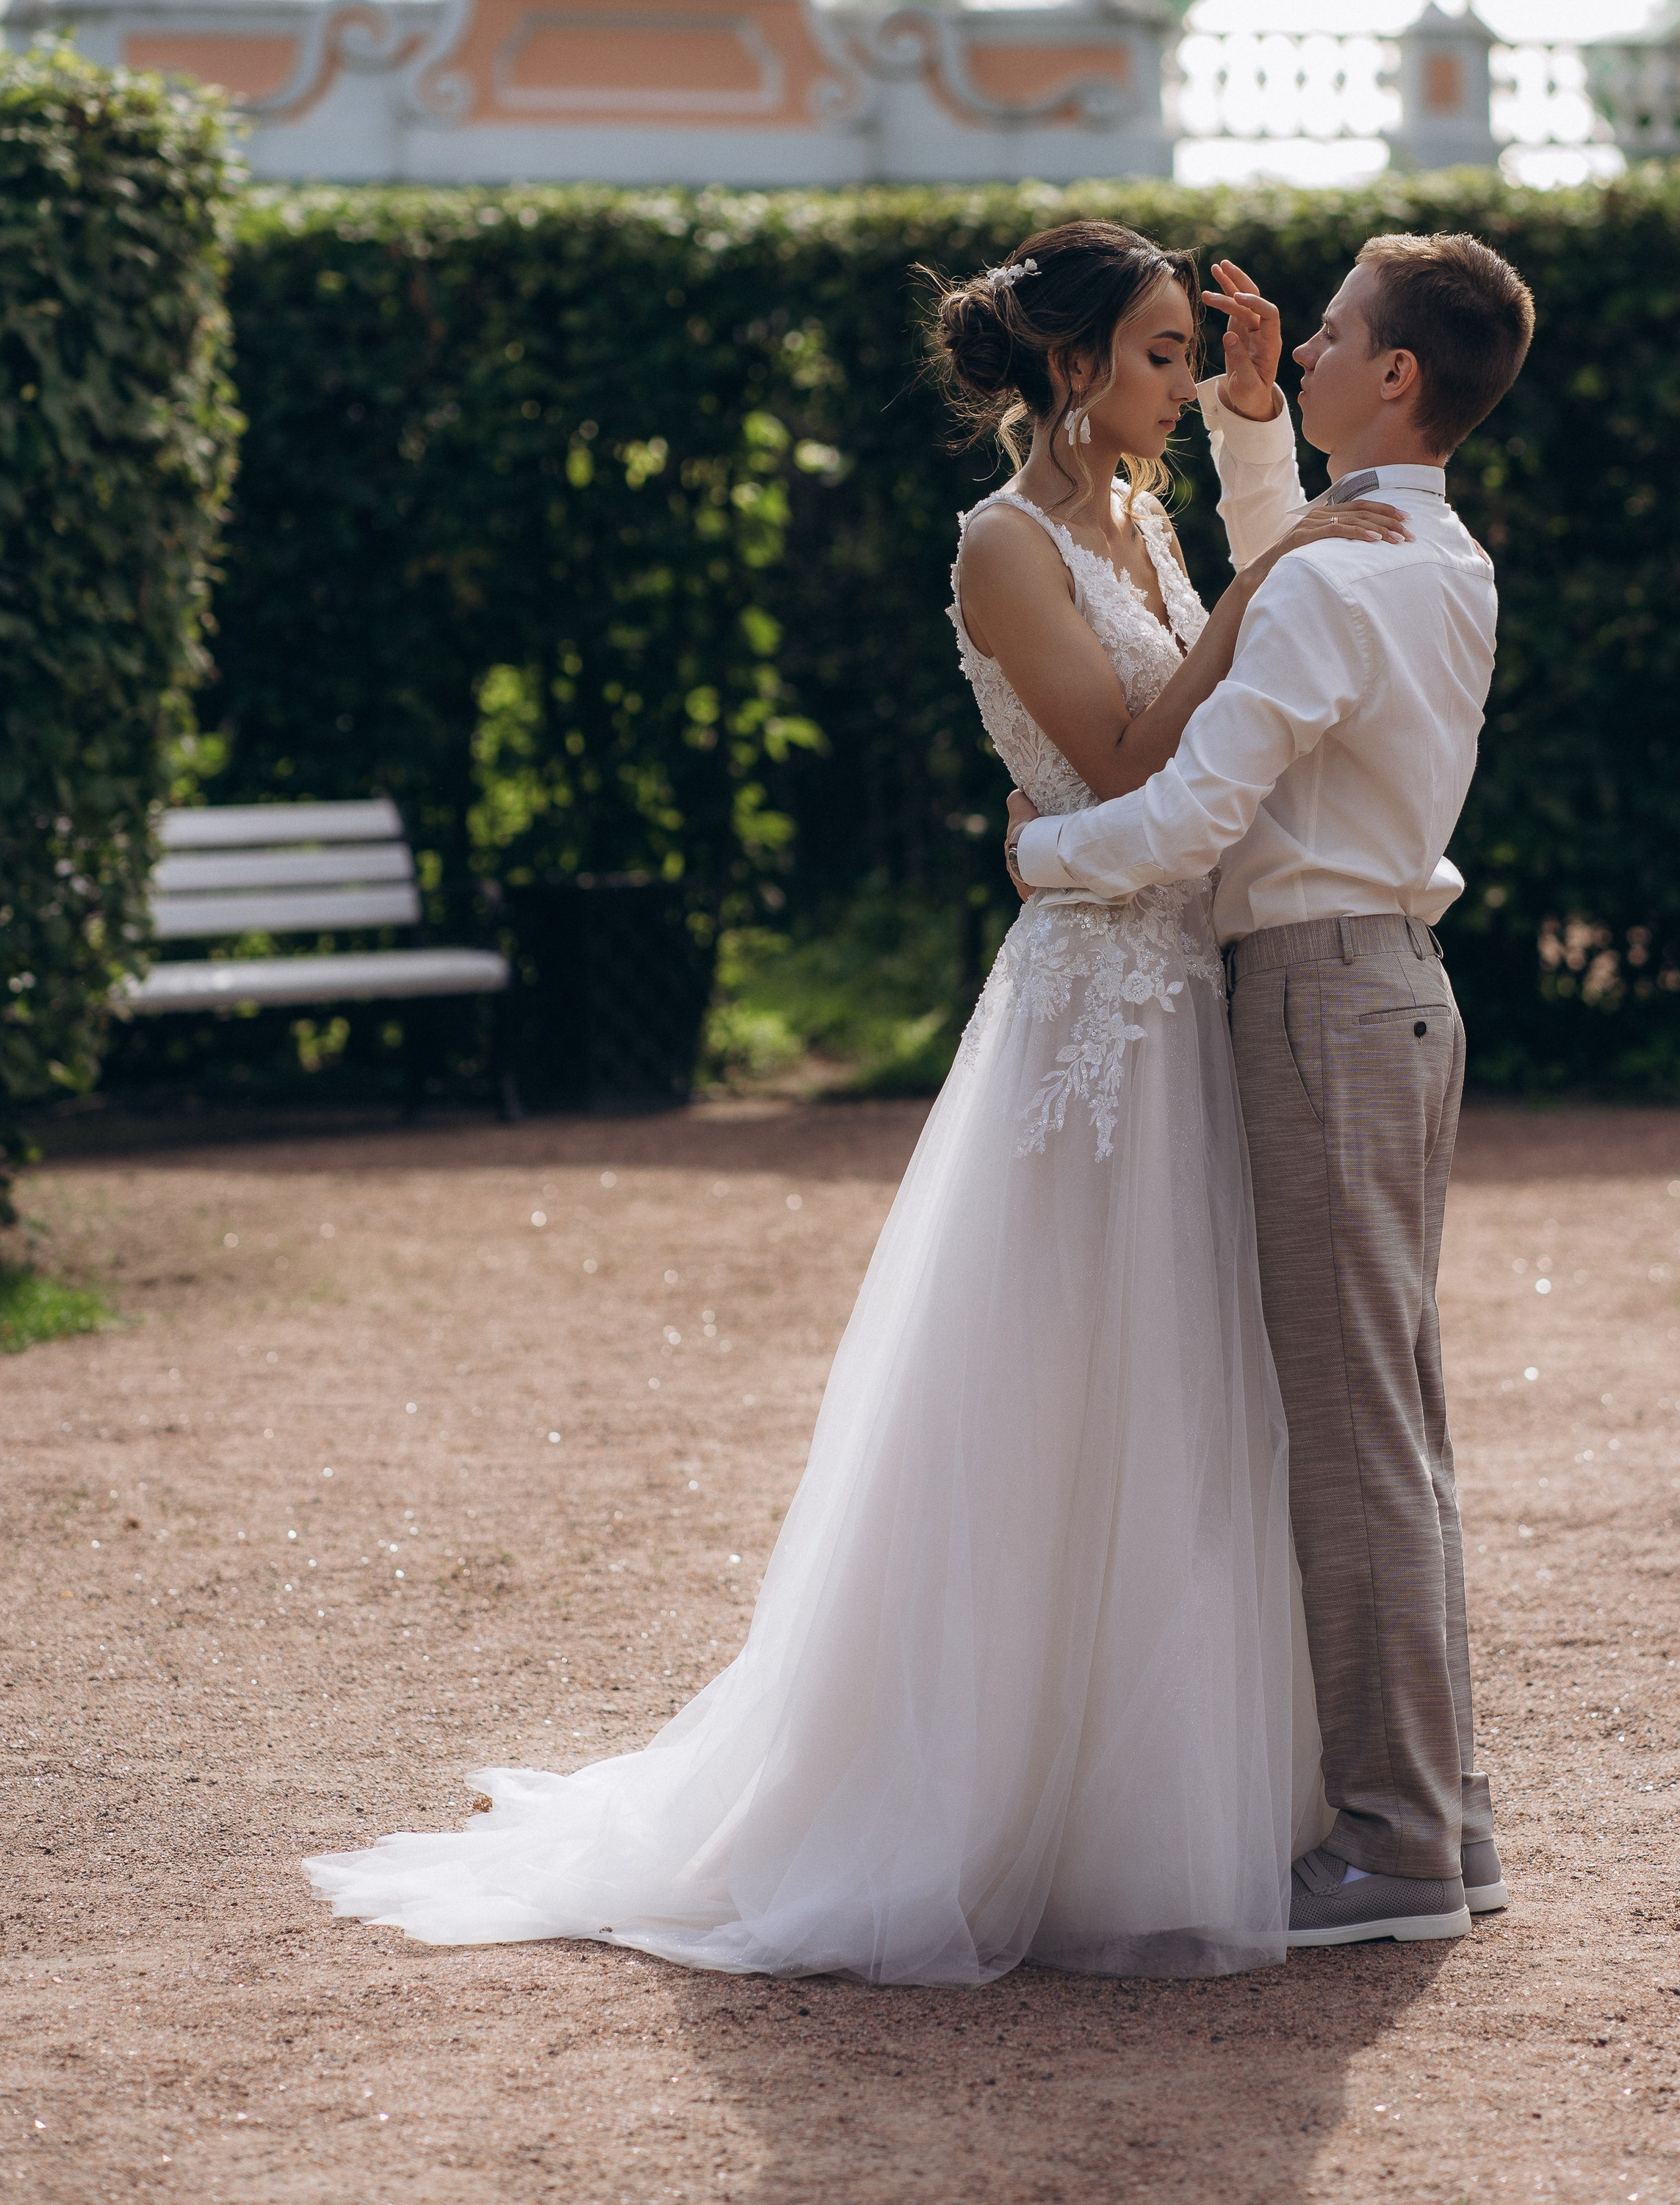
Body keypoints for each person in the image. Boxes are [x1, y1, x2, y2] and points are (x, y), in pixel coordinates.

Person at [303, 219, 1401, 1983]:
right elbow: (1128, 760)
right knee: (1055, 1391)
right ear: (1066, 368)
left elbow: (1201, 730)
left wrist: (1252, 461)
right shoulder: (999, 548)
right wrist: (1265, 599)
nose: (1178, 381)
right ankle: (975, 1804)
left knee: (1194, 1389)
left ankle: (1170, 1798)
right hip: (1085, 1018)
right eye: (1154, 354)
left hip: (1181, 989)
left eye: (1182, 356)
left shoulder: (1145, 515)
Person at [1009, 229, 1535, 1949]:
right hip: (1395, 995)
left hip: (1316, 1002)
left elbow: (1186, 816)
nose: (1282, 344)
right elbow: (1281, 593)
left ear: (1391, 375)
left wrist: (1038, 856)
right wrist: (1253, 435)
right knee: (1398, 1422)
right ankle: (1436, 1823)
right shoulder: (1421, 551)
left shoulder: (1338, 573)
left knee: (1353, 1440)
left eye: (1320, 335)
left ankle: (1388, 1842)